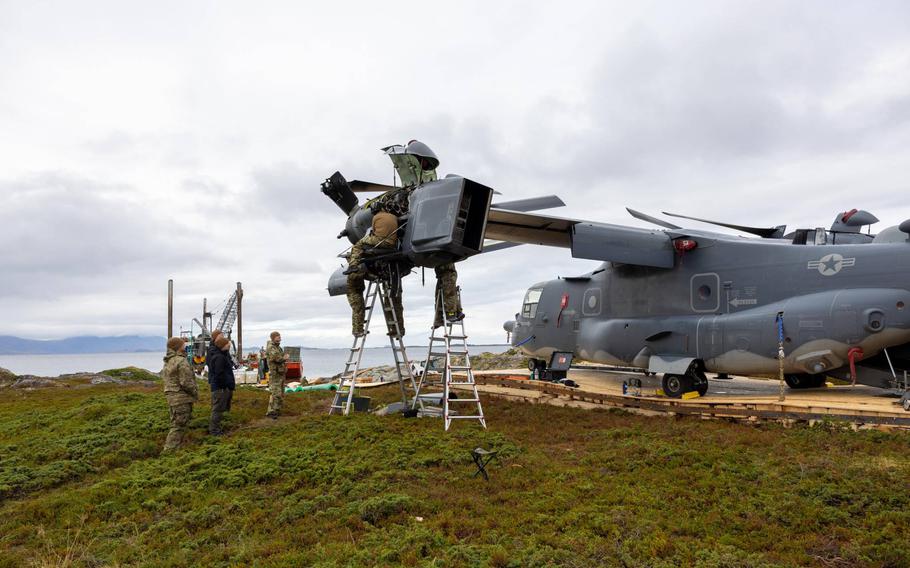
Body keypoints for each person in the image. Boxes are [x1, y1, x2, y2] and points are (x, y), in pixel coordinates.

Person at [346, 210, 401, 336]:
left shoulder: (376, 217)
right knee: (359, 309)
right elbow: (362, 275)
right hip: (355, 293)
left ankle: (358, 330)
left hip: (381, 242)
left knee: (358, 245)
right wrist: (374, 276)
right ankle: (358, 330)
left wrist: (371, 274)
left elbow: (364, 274)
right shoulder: (393, 217)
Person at [161, 337, 199, 452]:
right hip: (181, 398)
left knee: (176, 424)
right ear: (178, 347)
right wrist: (195, 392)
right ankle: (169, 451)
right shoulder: (181, 361)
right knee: (178, 427)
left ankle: (174, 450)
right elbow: (186, 382)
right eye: (183, 345)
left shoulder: (168, 360)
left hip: (172, 398)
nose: (185, 346)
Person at [208, 335, 235, 435]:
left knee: (220, 409)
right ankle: (214, 430)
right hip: (220, 388)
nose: (229, 345)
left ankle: (218, 427)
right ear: (223, 345)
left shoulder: (222, 355)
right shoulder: (219, 357)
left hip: (222, 387)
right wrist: (225, 385)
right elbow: (219, 374)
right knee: (217, 410)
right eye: (228, 343)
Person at [265, 331, 289, 419]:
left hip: (280, 373)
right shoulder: (271, 347)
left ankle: (277, 410)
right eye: (278, 337)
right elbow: (276, 358)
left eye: (280, 337)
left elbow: (280, 357)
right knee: (275, 393)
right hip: (275, 374)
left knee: (281, 393)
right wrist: (284, 358)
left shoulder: (278, 347)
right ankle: (271, 412)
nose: (279, 338)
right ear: (273, 337)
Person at [433, 262, 464, 327]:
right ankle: (439, 319)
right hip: (442, 274)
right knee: (439, 296)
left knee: (449, 294)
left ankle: (451, 314)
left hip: (447, 273)